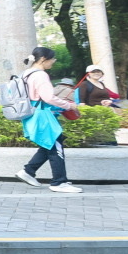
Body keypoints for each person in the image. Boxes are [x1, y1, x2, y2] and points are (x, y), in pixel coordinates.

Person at [15, 46, 83, 193]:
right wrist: (69, 105)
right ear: (43, 59)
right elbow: (48, 97)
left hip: (31, 112)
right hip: (42, 114)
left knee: (50, 144)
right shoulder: (40, 75)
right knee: (55, 145)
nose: (54, 61)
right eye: (52, 59)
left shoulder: (26, 73)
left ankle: (28, 171)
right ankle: (59, 182)